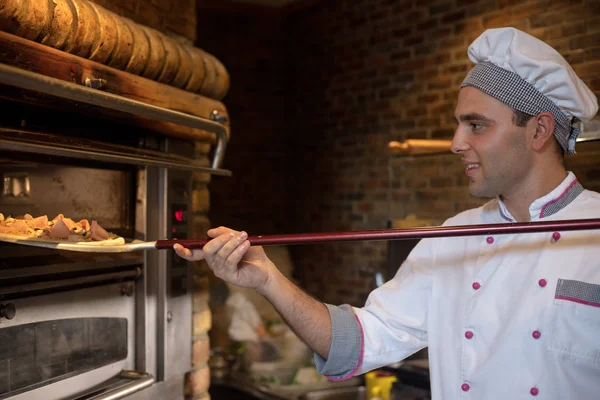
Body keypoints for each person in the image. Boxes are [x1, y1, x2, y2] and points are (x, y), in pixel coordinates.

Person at [175, 27, 600, 399]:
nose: (455, 142)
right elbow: (357, 342)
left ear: (539, 130)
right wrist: (267, 278)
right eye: (459, 124)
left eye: (476, 125)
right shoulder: (454, 236)